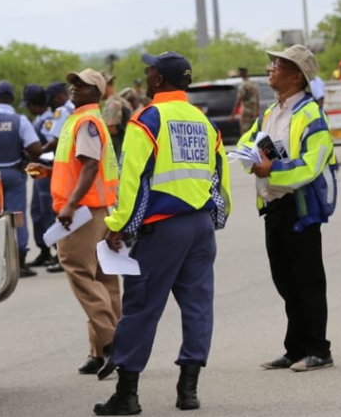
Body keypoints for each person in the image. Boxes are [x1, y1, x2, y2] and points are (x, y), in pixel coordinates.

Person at [94, 51, 232, 416]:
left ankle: (127, 395)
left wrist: (119, 226)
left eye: (149, 69)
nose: (146, 73)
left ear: (159, 80)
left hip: (163, 228)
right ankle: (189, 391)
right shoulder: (205, 122)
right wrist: (215, 219)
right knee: (198, 306)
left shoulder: (147, 120)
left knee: (141, 307)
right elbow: (220, 180)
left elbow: (133, 179)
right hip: (201, 229)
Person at [238, 44, 337, 374]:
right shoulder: (271, 112)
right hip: (274, 206)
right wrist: (251, 158)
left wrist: (273, 170)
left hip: (300, 207)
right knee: (285, 280)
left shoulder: (310, 114)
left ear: (297, 76)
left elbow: (312, 163)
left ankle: (319, 350)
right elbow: (247, 142)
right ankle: (294, 348)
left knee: (308, 281)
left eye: (278, 65)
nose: (270, 69)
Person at [29, 69, 121, 378]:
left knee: (80, 273)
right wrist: (48, 172)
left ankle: (111, 345)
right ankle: (101, 350)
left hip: (83, 212)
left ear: (95, 91)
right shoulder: (82, 119)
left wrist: (69, 205)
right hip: (99, 209)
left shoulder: (85, 122)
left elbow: (91, 166)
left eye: (81, 85)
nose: (73, 88)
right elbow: (78, 164)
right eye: (73, 83)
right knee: (103, 278)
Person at [0, 81, 42, 278]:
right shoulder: (19, 120)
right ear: (12, 99)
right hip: (13, 173)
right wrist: (26, 160)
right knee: (17, 215)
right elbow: (36, 149)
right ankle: (20, 262)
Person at [22, 84, 58, 267]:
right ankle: (44, 250)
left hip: (47, 170)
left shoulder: (48, 121)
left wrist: (37, 154)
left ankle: (58, 252)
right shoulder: (39, 119)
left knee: (49, 211)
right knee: (37, 211)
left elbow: (54, 147)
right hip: (39, 171)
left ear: (34, 104)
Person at [42, 81, 75, 273]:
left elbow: (54, 141)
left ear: (58, 97)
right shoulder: (77, 108)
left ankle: (61, 256)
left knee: (61, 211)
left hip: (63, 167)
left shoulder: (62, 111)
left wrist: (39, 152)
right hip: (75, 166)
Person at [101, 72, 133, 158]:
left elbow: (112, 129)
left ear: (105, 86)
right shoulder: (121, 101)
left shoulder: (112, 103)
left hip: (118, 149)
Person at [230, 66, 260, 134]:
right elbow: (257, 98)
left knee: (245, 130)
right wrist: (258, 110)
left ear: (242, 73)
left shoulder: (243, 85)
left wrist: (233, 114)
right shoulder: (253, 84)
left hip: (246, 111)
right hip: (254, 110)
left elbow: (239, 99)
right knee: (254, 130)